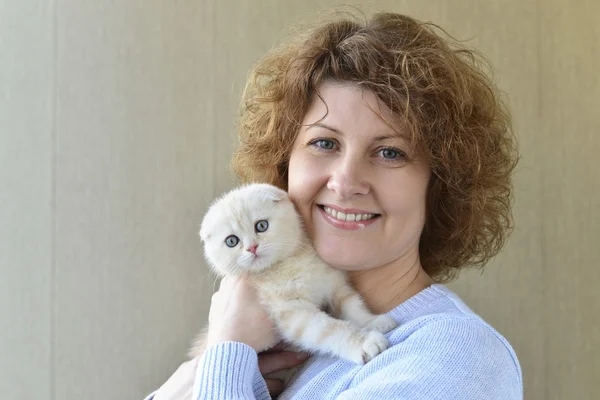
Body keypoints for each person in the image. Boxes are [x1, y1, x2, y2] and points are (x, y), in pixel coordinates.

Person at [146, 11, 522, 400]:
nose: (345, 183)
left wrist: (224, 357)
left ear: (441, 184)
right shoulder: (270, 345)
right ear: (284, 162)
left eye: (389, 152)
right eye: (325, 143)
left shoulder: (458, 360)